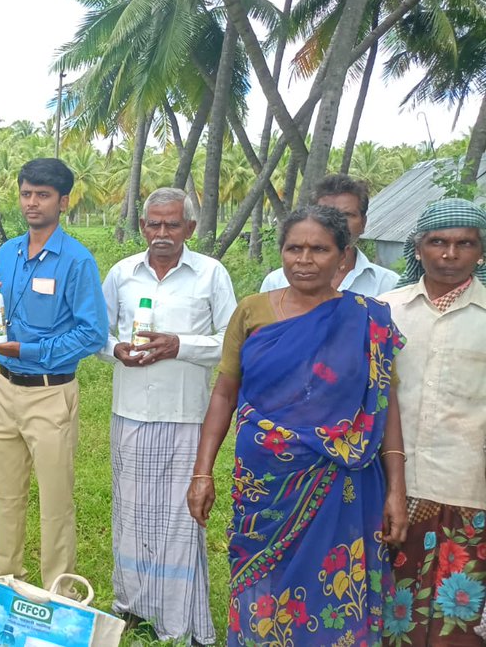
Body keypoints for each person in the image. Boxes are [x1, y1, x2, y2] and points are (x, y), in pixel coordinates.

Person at [188, 205, 408, 645]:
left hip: (342, 481)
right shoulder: (252, 312)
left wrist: (396, 490)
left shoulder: (369, 319)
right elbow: (224, 393)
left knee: (336, 589)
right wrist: (201, 471)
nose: (304, 259)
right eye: (294, 248)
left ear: (344, 256)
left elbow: (385, 406)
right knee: (259, 584)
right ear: (282, 252)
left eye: (319, 249)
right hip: (265, 481)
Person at [98, 187, 235, 645]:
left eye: (172, 224)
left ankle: (182, 619)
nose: (161, 233)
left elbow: (231, 342)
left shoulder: (211, 274)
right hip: (131, 412)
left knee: (180, 518)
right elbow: (96, 332)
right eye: (153, 224)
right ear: (142, 227)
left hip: (185, 415)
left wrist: (180, 345)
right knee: (132, 514)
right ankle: (133, 607)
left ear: (190, 229)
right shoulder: (122, 274)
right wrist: (115, 349)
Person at [0, 158, 107, 591]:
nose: (32, 202)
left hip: (50, 394)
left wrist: (28, 349)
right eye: (26, 193)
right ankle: (4, 578)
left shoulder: (77, 261)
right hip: (3, 387)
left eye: (42, 195)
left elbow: (91, 334)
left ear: (63, 202)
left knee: (55, 500)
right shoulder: (8, 252)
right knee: (5, 493)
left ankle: (57, 590)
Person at [379, 198, 486, 644]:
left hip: (468, 489)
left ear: (480, 252)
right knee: (386, 615)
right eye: (437, 242)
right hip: (387, 487)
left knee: (456, 625)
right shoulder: (384, 309)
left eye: (465, 244)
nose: (449, 254)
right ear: (417, 247)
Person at [261, 174, 399, 296]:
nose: (338, 223)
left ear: (363, 223)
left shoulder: (388, 285)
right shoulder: (276, 283)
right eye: (326, 214)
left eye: (347, 215)